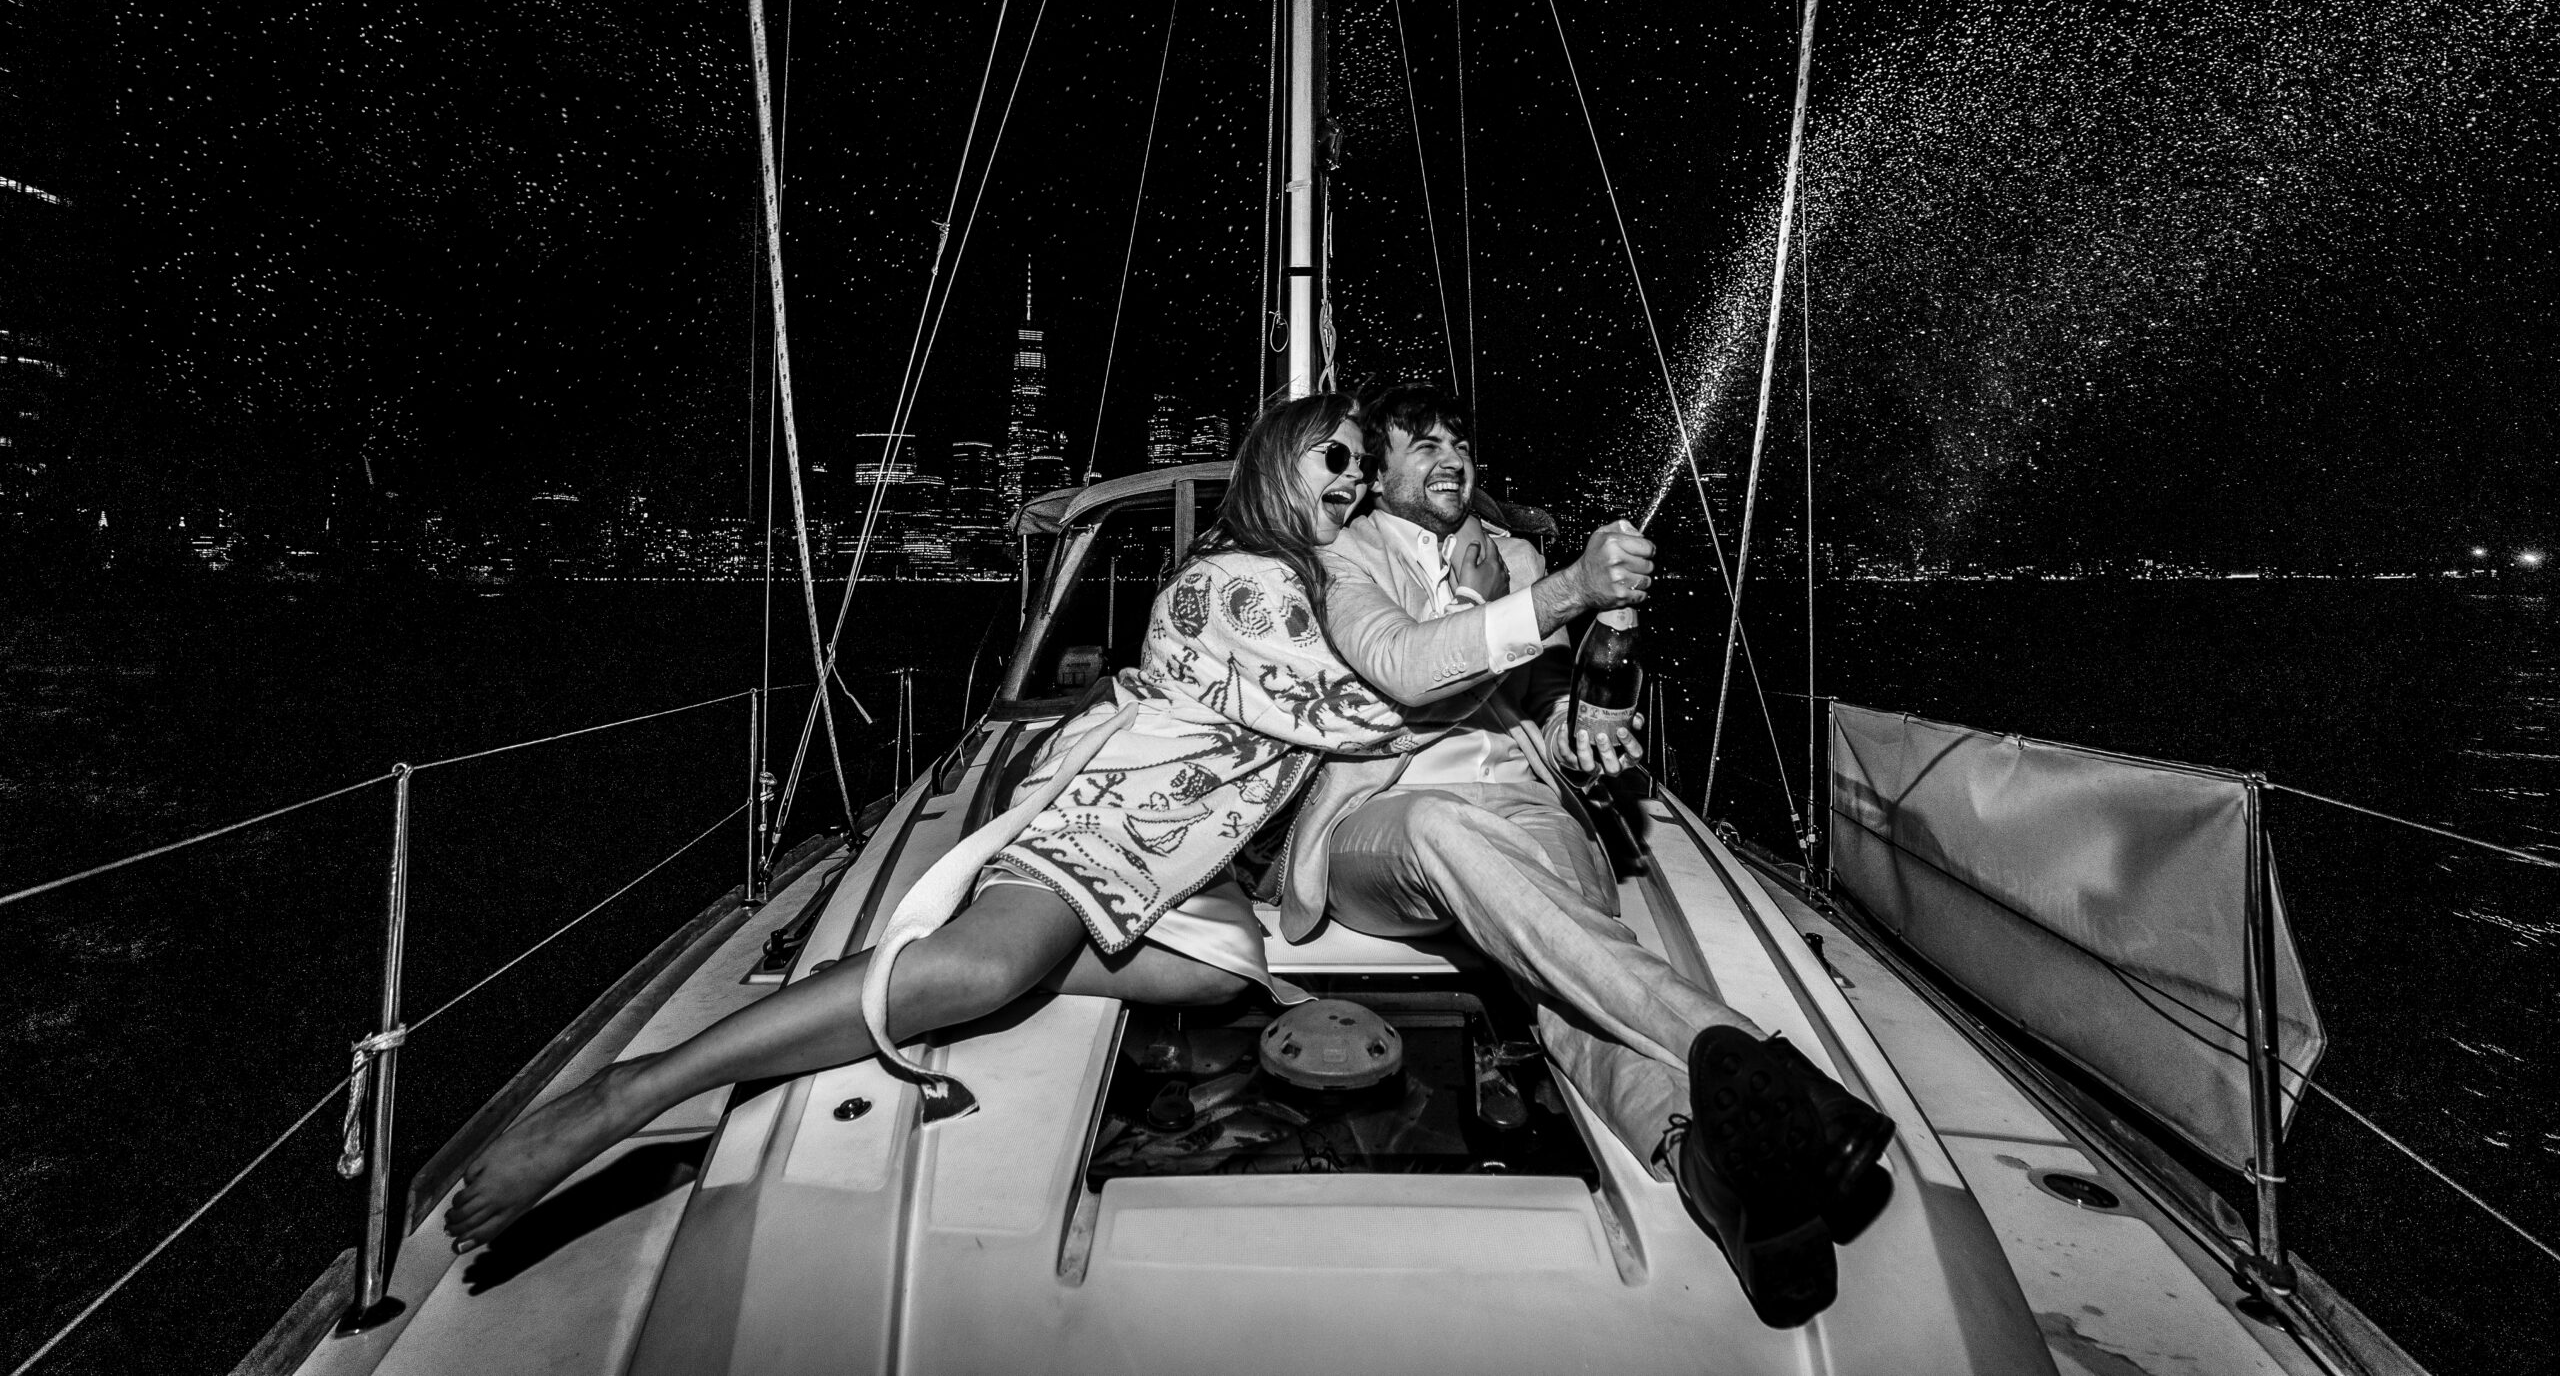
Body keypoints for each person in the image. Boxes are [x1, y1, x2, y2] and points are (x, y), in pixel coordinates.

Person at [445, 392, 1434, 1252]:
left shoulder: (1298, 573)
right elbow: (1366, 710)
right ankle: (635, 1091)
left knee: (1217, 976)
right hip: (1112, 820)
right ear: (1275, 463)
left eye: (1364, 465)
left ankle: (890, 971)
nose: (1351, 479)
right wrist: (1548, 625)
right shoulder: (1242, 581)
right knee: (988, 974)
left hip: (1171, 849)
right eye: (1332, 457)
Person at [1277, 382, 1894, 1329]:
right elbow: (1399, 660)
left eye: (1462, 440)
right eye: (1421, 442)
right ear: (1379, 473)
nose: (1451, 455)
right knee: (1447, 826)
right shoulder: (1340, 556)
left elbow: (1559, 697)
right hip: (1389, 821)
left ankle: (1718, 1176)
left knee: (1562, 988)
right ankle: (1769, 1072)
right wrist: (1566, 588)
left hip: (1531, 816)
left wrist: (1585, 726)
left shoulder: (1513, 555)